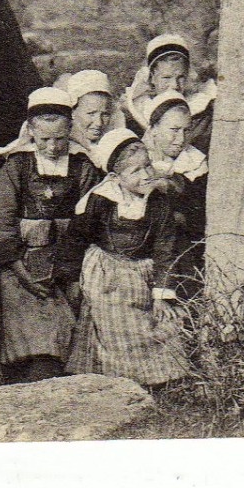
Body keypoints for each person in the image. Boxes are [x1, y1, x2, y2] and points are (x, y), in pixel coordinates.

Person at [0, 87, 97, 383]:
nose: (53, 147)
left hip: (69, 263)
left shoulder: (83, 168)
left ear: (70, 129)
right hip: (23, 266)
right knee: (32, 327)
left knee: (73, 321)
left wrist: (72, 272)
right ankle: (34, 378)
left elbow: (89, 222)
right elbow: (2, 221)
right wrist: (19, 269)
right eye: (45, 139)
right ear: (31, 132)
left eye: (60, 138)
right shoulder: (16, 167)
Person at [57, 127, 190, 388]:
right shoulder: (100, 200)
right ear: (115, 177)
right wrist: (70, 278)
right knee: (118, 320)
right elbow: (76, 238)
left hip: (144, 271)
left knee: (162, 319)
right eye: (135, 171)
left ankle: (159, 380)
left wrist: (162, 293)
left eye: (148, 166)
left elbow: (165, 246)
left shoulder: (158, 201)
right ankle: (121, 381)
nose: (146, 175)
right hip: (108, 272)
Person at [137, 90, 209, 296]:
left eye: (187, 130)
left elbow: (197, 213)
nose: (181, 138)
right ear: (154, 129)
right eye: (174, 130)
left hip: (184, 249)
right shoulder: (138, 160)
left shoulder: (195, 162)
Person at [120, 34, 217, 150]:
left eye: (180, 77)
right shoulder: (135, 111)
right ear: (152, 78)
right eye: (166, 78)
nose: (174, 86)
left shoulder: (201, 112)